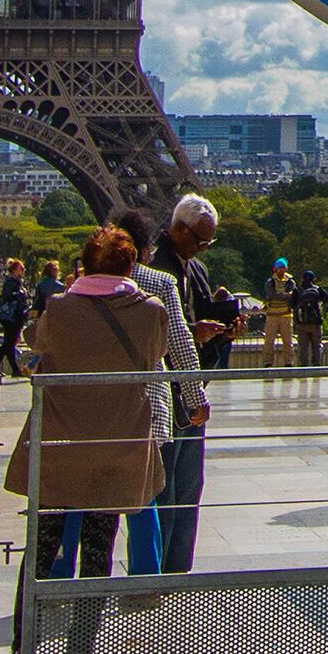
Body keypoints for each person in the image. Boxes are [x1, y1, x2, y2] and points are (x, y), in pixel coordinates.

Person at [11, 226, 171, 654]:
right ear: (132, 263)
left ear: (84, 263)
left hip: (60, 443)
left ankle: (22, 650)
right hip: (117, 444)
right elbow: (152, 361)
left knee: (40, 550)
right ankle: (78, 653)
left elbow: (40, 353)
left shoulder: (58, 310)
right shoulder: (151, 311)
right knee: (98, 552)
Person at [109, 201, 211, 575]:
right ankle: (148, 576)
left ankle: (68, 580)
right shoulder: (158, 281)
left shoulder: (82, 283)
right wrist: (196, 397)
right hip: (150, 403)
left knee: (90, 503)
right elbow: (181, 346)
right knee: (152, 496)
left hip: (96, 407)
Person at [261, 262, 297, 366]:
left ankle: (289, 362)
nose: (281, 270)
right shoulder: (270, 282)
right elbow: (272, 295)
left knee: (288, 341)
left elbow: (292, 294)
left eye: (283, 268)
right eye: (279, 268)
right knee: (269, 341)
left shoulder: (290, 282)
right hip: (272, 315)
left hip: (286, 315)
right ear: (275, 269)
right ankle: (268, 362)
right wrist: (285, 295)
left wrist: (281, 296)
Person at [294, 268, 328, 368]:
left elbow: (292, 305)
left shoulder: (297, 290)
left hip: (301, 323)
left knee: (303, 347)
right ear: (314, 279)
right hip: (315, 323)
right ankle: (316, 366)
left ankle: (303, 367)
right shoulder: (317, 289)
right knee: (316, 346)